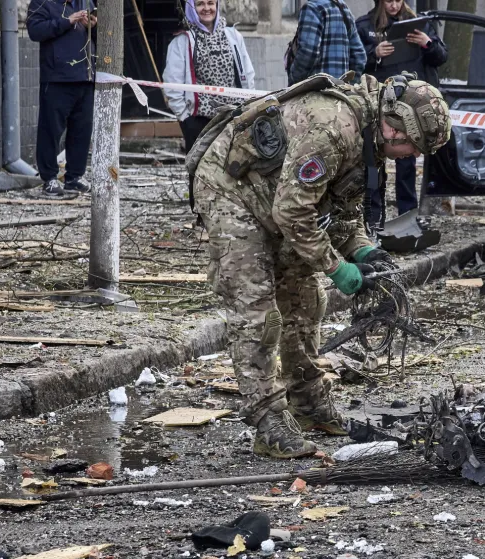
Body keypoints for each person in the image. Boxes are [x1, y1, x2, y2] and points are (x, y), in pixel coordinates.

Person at [191, 72, 451, 458]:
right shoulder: (333, 129)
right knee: (258, 311)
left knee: (307, 299)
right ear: (394, 129)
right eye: (413, 149)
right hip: (232, 193)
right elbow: (294, 212)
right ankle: (267, 423)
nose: (412, 158)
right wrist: (337, 268)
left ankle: (308, 402)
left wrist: (363, 252)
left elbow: (341, 211)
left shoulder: (367, 140)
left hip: (278, 200)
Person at [356, 0, 447, 227]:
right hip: (378, 105)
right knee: (374, 160)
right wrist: (374, 52)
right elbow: (355, 61)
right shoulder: (365, 25)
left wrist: (427, 44)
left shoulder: (417, 24)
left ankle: (408, 215)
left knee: (407, 161)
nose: (394, 5)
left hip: (411, 106)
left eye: (398, 0)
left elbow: (442, 56)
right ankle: (373, 217)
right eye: (389, 0)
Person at [164, 0, 255, 154]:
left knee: (231, 170)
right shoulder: (182, 42)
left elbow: (247, 73)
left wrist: (248, 105)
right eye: (200, 4)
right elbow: (173, 85)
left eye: (210, 3)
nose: (206, 8)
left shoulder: (233, 36)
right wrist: (185, 119)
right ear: (191, 8)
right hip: (199, 122)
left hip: (233, 117)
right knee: (200, 172)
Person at [27, 0, 97, 197]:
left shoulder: (85, 2)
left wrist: (93, 25)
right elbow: (35, 31)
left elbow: (99, 38)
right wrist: (67, 21)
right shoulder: (42, 3)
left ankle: (74, 177)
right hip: (57, 77)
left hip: (85, 76)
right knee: (51, 130)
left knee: (81, 131)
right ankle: (49, 178)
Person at [287, 0, 366, 86]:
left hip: (315, 93)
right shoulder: (343, 8)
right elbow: (359, 56)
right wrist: (350, 85)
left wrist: (294, 81)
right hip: (340, 93)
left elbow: (308, 51)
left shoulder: (312, 8)